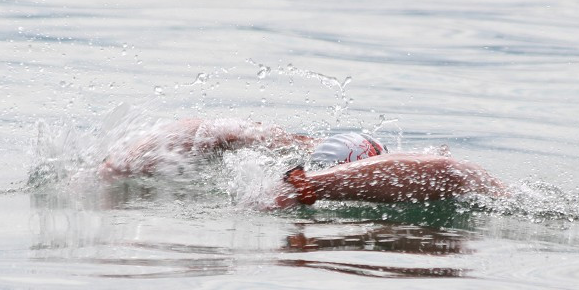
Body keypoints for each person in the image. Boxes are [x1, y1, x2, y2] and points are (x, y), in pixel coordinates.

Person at [99, 118, 506, 208]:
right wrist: (127, 162)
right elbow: (215, 129)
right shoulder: (305, 151)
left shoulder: (430, 174)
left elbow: (446, 172)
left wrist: (305, 187)